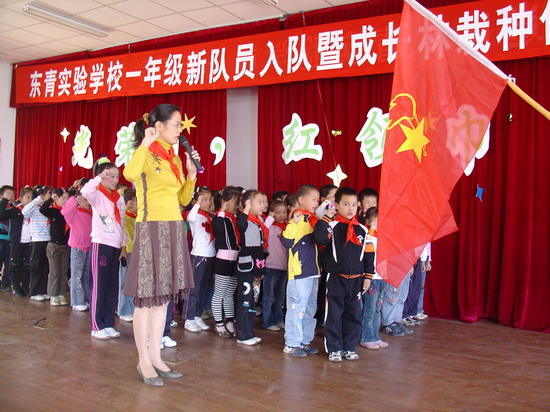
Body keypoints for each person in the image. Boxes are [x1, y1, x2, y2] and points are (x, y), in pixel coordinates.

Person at [123, 104, 198, 386]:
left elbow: (183, 199)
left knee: (163, 298)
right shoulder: (146, 153)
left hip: (174, 227)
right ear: (158, 126)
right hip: (151, 227)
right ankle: (143, 360)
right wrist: (146, 143)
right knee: (146, 299)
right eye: (176, 124)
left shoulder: (173, 157)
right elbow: (130, 174)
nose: (180, 129)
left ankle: (156, 356)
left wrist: (191, 175)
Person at [314, 187, 375, 362]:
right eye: (346, 204)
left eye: (354, 205)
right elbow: (319, 238)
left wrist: (368, 276)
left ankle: (349, 347)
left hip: (356, 280)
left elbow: (369, 255)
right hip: (335, 279)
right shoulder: (331, 226)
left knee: (354, 315)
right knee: (334, 315)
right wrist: (327, 218)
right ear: (337, 205)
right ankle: (334, 348)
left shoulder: (362, 229)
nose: (350, 208)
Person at [81, 160, 127, 340]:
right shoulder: (97, 194)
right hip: (101, 244)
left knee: (111, 287)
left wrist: (123, 246)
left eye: (117, 176)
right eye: (110, 176)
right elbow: (85, 191)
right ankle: (96, 325)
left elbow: (122, 223)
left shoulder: (119, 198)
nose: (115, 180)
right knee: (98, 286)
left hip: (115, 246)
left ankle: (108, 323)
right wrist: (99, 177)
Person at [281, 184, 321, 358]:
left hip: (313, 272)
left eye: (318, 200)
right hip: (299, 273)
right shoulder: (296, 220)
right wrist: (293, 223)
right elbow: (286, 242)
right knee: (297, 308)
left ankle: (305, 341)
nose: (316, 203)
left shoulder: (314, 220)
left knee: (310, 309)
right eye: (313, 199)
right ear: (301, 200)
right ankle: (291, 343)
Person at [235, 190, 268, 346]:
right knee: (245, 301)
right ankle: (242, 334)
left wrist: (261, 269)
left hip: (256, 267)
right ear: (248, 203)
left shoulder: (257, 221)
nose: (262, 205)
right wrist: (246, 208)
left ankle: (249, 332)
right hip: (246, 267)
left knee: (252, 300)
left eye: (264, 202)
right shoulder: (245, 220)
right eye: (259, 202)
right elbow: (241, 225)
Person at [184, 187, 215, 333]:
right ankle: (188, 318)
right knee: (194, 289)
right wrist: (197, 203)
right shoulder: (194, 215)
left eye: (209, 199)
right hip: (198, 255)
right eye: (204, 199)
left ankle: (197, 315)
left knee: (203, 288)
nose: (208, 203)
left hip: (210, 255)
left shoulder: (208, 217)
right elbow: (189, 218)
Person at [211, 186, 241, 338]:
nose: (237, 205)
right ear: (225, 202)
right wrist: (222, 210)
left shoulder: (233, 218)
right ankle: (218, 323)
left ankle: (229, 322)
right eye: (234, 202)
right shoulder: (219, 217)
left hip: (235, 259)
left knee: (229, 294)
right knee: (219, 293)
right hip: (223, 259)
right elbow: (217, 229)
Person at [359, 207, 389, 350]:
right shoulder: (368, 236)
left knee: (377, 309)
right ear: (368, 222)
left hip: (382, 277)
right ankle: (366, 338)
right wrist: (371, 229)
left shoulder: (383, 237)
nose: (378, 225)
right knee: (369, 310)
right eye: (375, 222)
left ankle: (375, 336)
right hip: (372, 278)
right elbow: (366, 248)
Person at [62, 190, 92, 311]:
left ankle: (85, 299)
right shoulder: (74, 212)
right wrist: (75, 199)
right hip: (78, 247)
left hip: (89, 247)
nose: (87, 202)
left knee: (86, 275)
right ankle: (76, 301)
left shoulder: (90, 213)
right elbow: (65, 211)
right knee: (77, 275)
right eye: (85, 200)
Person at [40, 188, 70, 306]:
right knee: (54, 272)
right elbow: (42, 209)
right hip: (54, 246)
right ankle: (53, 295)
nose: (65, 200)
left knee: (63, 272)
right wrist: (51, 199)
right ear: (56, 199)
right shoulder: (53, 211)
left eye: (67, 198)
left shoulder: (69, 212)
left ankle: (61, 294)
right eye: (63, 198)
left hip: (65, 246)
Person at [0, 187, 33, 296]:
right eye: (27, 197)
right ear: (20, 198)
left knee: (26, 265)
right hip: (16, 241)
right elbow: (1, 214)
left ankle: (25, 287)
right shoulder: (15, 210)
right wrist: (5, 200)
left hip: (28, 242)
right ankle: (15, 286)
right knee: (14, 265)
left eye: (31, 198)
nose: (30, 200)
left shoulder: (34, 211)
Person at [23, 186, 52, 301]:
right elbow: (24, 212)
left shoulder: (49, 207)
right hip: (37, 240)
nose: (51, 195)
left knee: (45, 267)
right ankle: (34, 292)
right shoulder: (34, 207)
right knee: (36, 266)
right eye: (49, 193)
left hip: (48, 240)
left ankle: (43, 291)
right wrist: (38, 199)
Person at [263, 200, 288, 331]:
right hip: (271, 265)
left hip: (284, 266)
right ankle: (268, 321)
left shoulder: (289, 227)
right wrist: (270, 217)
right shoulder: (270, 227)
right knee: (269, 296)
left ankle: (279, 319)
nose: (281, 215)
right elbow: (263, 229)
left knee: (280, 296)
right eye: (277, 212)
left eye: (284, 212)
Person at [118, 189, 137, 322]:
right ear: (130, 203)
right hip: (127, 251)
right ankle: (124, 310)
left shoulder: (136, 217)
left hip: (136, 252)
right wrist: (126, 207)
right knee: (125, 282)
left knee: (133, 283)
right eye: (137, 202)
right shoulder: (125, 216)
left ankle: (132, 308)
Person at [0, 185, 15, 291]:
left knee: (9, 262)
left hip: (10, 239)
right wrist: (4, 202)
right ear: (1, 196)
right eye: (8, 194)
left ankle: (6, 283)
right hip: (1, 238)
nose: (11, 196)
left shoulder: (14, 208)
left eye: (13, 194)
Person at [416, 242, 432, 320]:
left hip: (425, 257)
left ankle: (419, 310)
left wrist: (428, 261)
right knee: (417, 285)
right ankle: (414, 311)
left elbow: (427, 247)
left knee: (421, 286)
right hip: (419, 257)